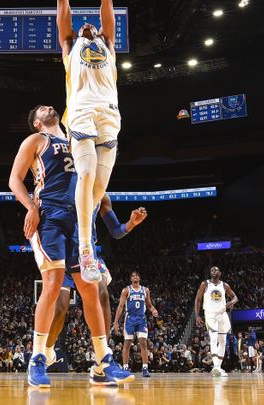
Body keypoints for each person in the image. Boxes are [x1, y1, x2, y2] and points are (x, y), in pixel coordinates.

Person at [9, 105, 130, 388]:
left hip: (79, 216)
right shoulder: (36, 140)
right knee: (52, 283)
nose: (49, 107)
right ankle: (38, 359)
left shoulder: (77, 141)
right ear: (37, 122)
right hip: (49, 214)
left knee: (90, 286)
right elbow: (14, 179)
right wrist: (30, 207)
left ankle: (103, 361)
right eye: (42, 109)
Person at [55, 0, 120, 284]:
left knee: (97, 193)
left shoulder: (107, 44)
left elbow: (107, 0)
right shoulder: (70, 46)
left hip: (109, 115)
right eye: (82, 26)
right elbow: (62, 0)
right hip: (80, 111)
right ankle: (85, 250)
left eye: (91, 24)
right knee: (86, 175)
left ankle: (85, 238)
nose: (87, 24)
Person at [43, 195, 148, 370]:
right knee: (60, 308)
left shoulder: (101, 195)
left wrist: (131, 223)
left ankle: (103, 358)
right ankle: (46, 351)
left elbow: (116, 231)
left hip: (87, 253)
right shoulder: (65, 184)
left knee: (102, 292)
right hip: (64, 251)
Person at [194, 266, 239, 377]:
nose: (214, 271)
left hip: (222, 314)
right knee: (213, 338)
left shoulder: (224, 285)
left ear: (220, 273)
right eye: (212, 270)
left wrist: (231, 302)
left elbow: (235, 297)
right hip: (210, 315)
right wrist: (197, 315)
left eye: (216, 270)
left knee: (223, 341)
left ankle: (218, 367)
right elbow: (198, 299)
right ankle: (216, 366)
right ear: (210, 273)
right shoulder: (205, 284)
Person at [113, 271, 159, 378]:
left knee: (143, 342)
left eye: (137, 275)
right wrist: (116, 322)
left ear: (139, 278)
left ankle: (145, 368)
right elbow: (120, 307)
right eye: (133, 276)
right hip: (130, 318)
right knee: (127, 343)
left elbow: (149, 305)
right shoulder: (126, 290)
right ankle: (125, 368)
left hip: (141, 318)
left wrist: (153, 310)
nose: (135, 277)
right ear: (130, 279)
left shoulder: (145, 290)